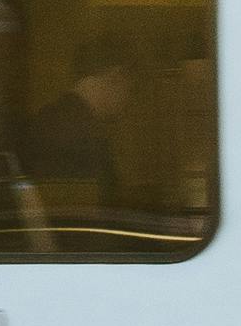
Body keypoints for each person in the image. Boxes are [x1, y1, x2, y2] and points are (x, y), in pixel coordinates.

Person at [19, 27, 147, 211]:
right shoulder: (86, 135)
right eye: (130, 88)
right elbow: (98, 209)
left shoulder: (47, 118)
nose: (128, 99)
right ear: (116, 76)